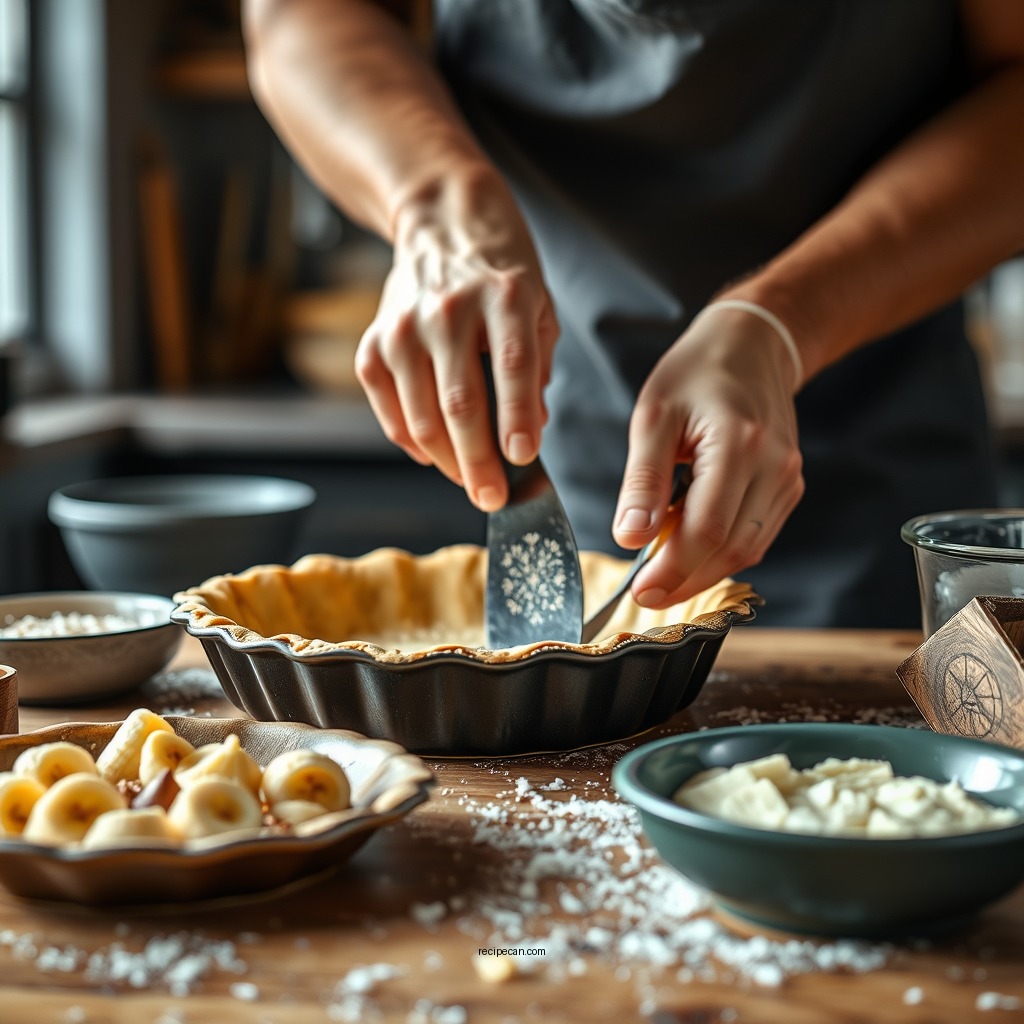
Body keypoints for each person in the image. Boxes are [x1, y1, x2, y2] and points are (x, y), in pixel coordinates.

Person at [241, 0, 1024, 627]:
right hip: (575, 436)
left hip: (887, 477)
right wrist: (435, 205)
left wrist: (782, 322)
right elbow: (294, 14)